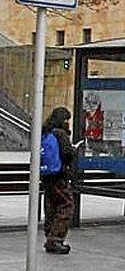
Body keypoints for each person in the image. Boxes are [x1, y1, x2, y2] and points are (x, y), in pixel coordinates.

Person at [42, 107, 77, 254]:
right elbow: (67, 154)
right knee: (66, 204)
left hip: (47, 175)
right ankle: (56, 239)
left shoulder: (46, 132)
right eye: (67, 120)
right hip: (59, 176)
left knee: (51, 206)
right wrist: (73, 150)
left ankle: (50, 236)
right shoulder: (61, 134)